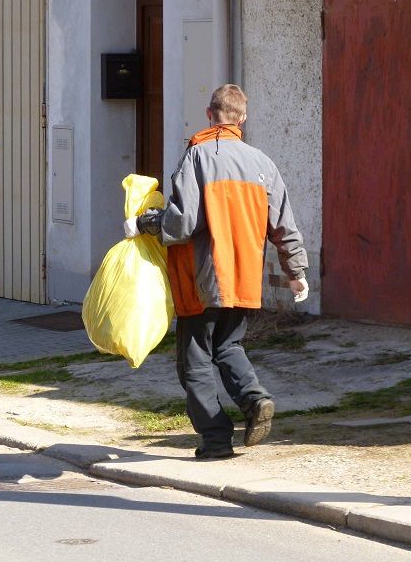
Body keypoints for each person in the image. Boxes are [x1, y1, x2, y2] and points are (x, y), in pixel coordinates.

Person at [124, 84, 309, 459]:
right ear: (242, 119)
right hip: (243, 277)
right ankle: (255, 399)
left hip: (201, 277)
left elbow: (180, 225)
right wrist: (297, 271)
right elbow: (284, 226)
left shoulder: (196, 157)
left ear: (209, 114)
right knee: (229, 346)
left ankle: (215, 440)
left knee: (194, 362)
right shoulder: (263, 164)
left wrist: (143, 223)